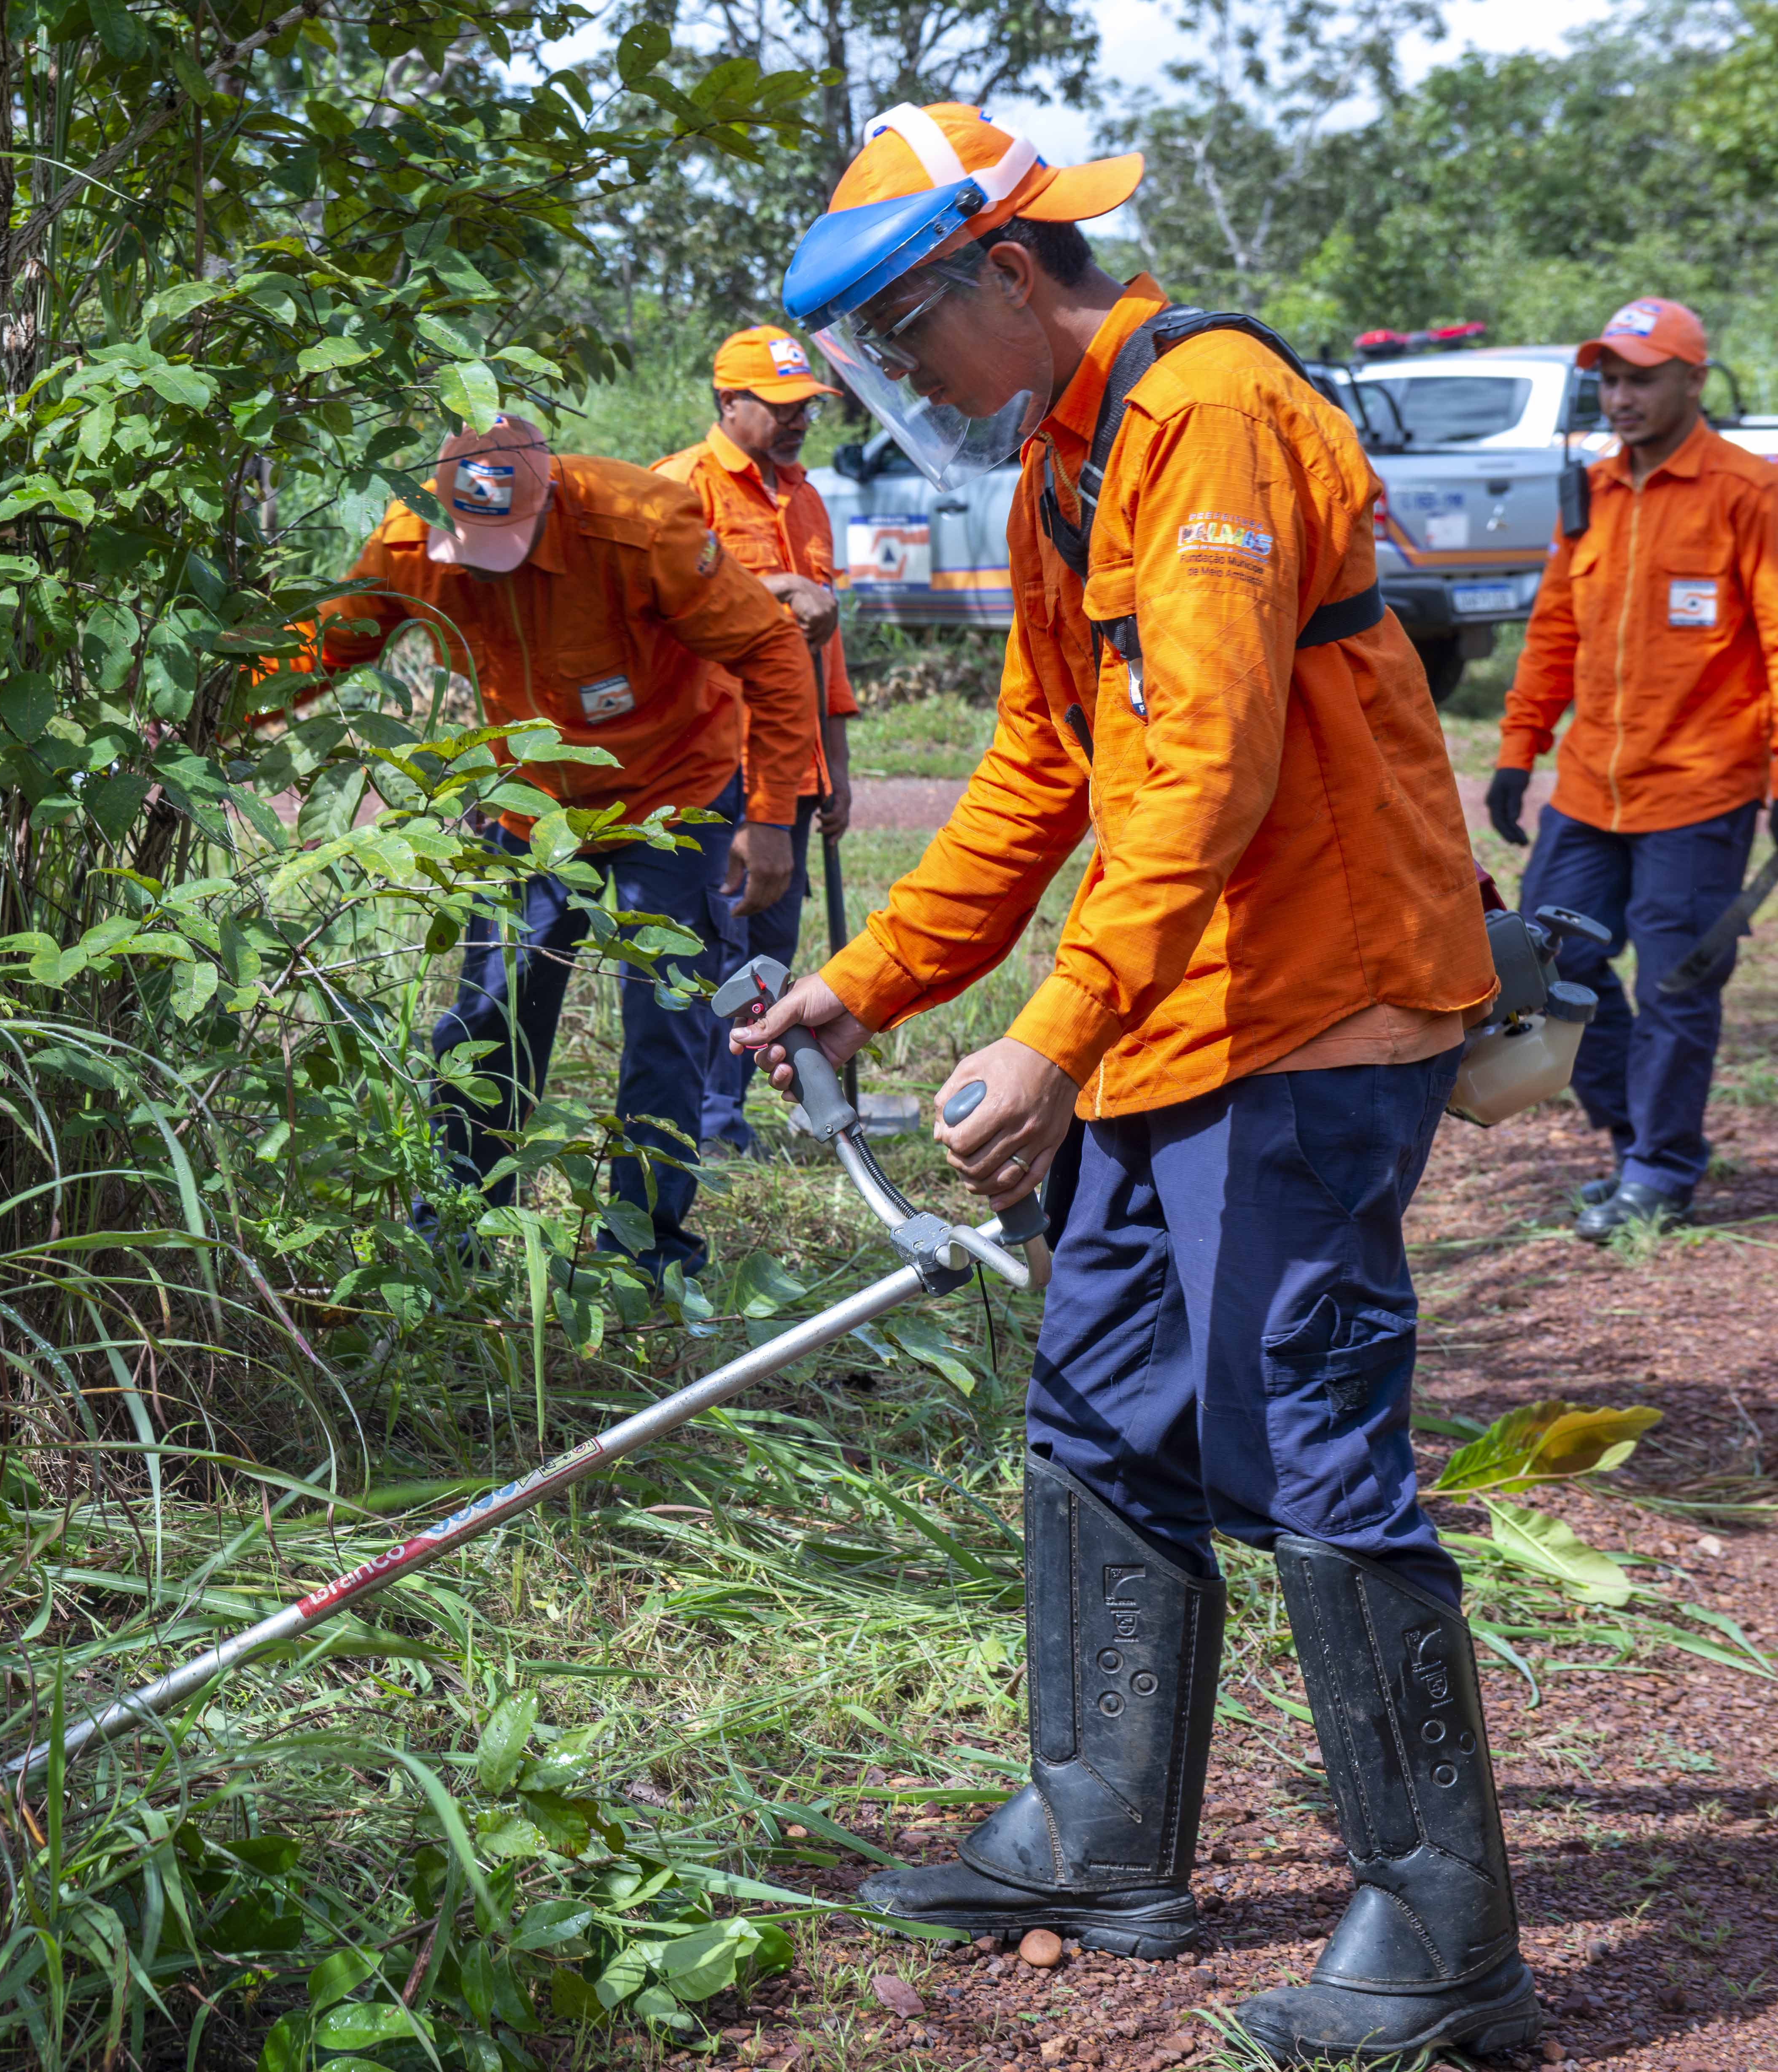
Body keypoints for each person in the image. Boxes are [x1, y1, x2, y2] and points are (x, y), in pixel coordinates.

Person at [735, 104, 1532, 2064]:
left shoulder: (1210, 414)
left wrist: (1052, 1026)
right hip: (1175, 1016)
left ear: (1010, 273)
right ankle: (1100, 1832)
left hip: (1310, 1013)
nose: (901, 376)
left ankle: (1443, 1938)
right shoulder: (1061, 463)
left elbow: (1207, 767)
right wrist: (867, 980)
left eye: (905, 331)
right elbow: (1039, 767)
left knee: (1306, 1441)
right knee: (1098, 1406)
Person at [277, 415, 816, 1274]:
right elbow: (326, 644)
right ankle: (456, 1234)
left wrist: (773, 816)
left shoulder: (641, 524)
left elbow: (771, 647)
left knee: (666, 1024)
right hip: (530, 809)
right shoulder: (411, 537)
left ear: (551, 500)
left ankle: (644, 1255)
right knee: (486, 1015)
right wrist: (206, 713)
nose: (494, 566)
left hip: (670, 796)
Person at [1485, 297, 1778, 1241]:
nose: (1620, 397)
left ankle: (1659, 1169)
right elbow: (1551, 632)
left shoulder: (1748, 492)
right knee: (1542, 963)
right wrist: (1516, 750)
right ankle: (1628, 1143)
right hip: (1587, 790)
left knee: (1675, 984)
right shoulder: (1592, 492)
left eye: (1641, 379)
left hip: (1699, 791)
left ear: (1694, 380)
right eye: (1609, 380)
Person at [654, 326, 860, 1154]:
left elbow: (824, 649)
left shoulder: (806, 498)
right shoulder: (680, 486)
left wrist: (836, 766)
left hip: (793, 768)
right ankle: (697, 1123)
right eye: (779, 406)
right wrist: (775, 586)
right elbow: (659, 614)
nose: (797, 420)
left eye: (805, 405)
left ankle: (726, 1116)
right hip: (713, 764)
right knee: (717, 943)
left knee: (772, 946)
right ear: (728, 403)